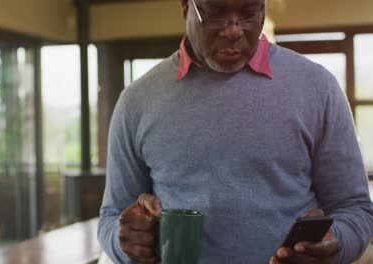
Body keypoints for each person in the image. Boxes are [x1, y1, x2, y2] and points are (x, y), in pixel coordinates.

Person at [97, 0, 373, 263]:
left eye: (250, 12)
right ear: (185, 6)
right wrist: (126, 243)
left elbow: (356, 210)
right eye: (215, 13)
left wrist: (334, 245)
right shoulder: (137, 100)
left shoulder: (317, 87)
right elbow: (112, 218)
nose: (233, 30)